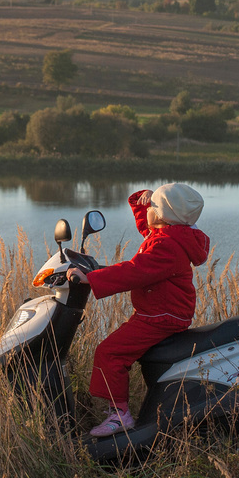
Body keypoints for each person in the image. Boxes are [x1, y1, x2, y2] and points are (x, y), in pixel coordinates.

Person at [66, 183, 210, 437]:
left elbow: (135, 271)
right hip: (161, 311)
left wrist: (92, 278)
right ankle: (118, 411)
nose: (149, 209)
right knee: (115, 349)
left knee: (110, 352)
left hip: (161, 316)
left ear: (164, 216)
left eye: (153, 206)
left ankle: (119, 415)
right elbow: (148, 228)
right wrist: (142, 201)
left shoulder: (166, 246)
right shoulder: (171, 236)